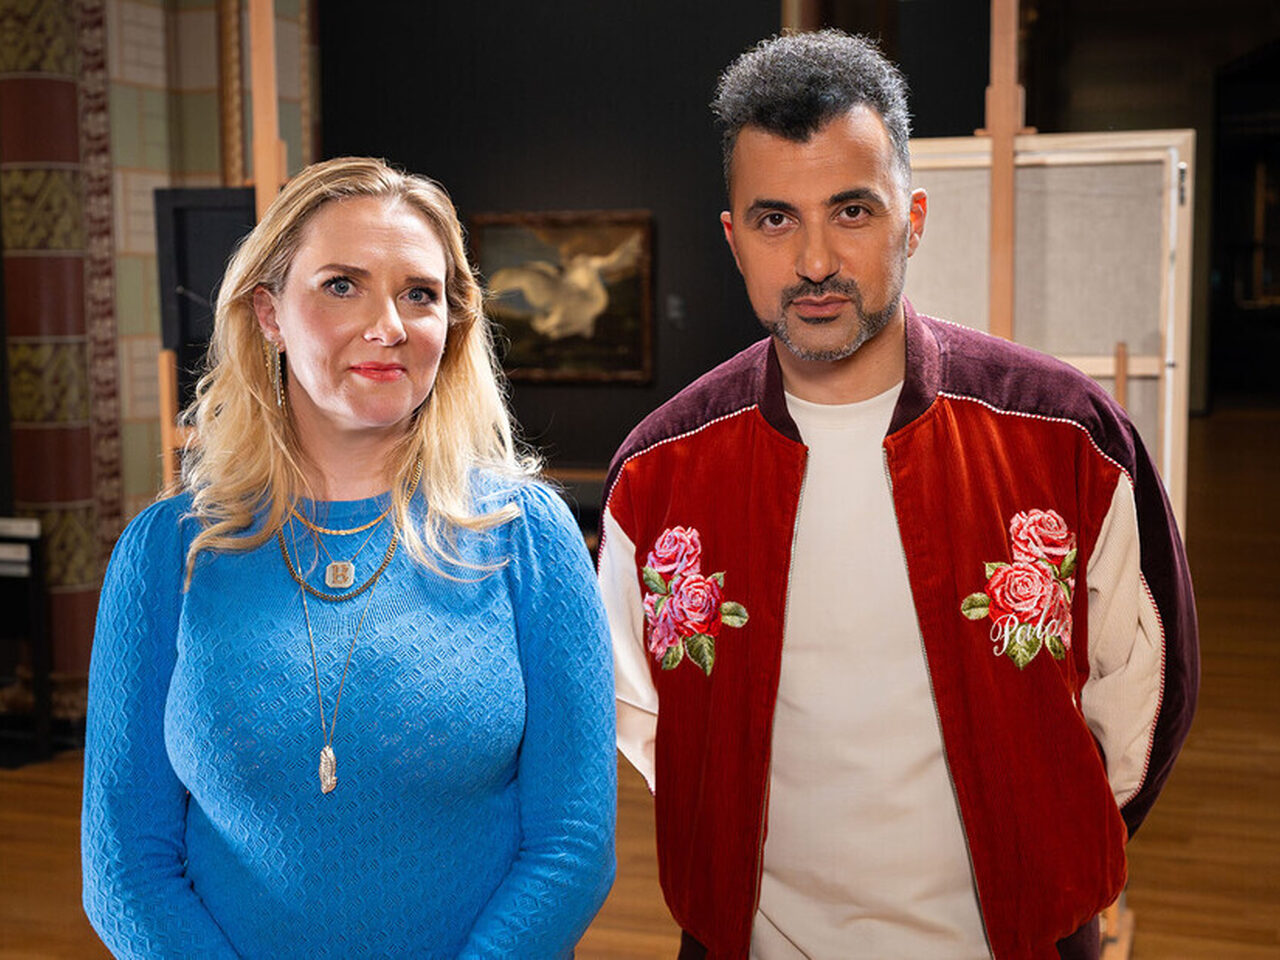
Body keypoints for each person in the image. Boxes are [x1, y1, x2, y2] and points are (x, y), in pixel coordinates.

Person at [598, 30, 1197, 960]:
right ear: (733, 238)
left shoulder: (1065, 435)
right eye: (774, 219)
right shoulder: (659, 471)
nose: (815, 260)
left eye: (852, 211)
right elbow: (646, 720)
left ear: (912, 219)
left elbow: (1149, 691)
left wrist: (1047, 848)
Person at [82, 157, 616, 959]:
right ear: (269, 312)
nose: (388, 325)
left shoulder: (528, 536)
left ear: (452, 323)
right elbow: (124, 866)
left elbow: (573, 844)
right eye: (342, 285)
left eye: (420, 294)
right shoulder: (166, 552)